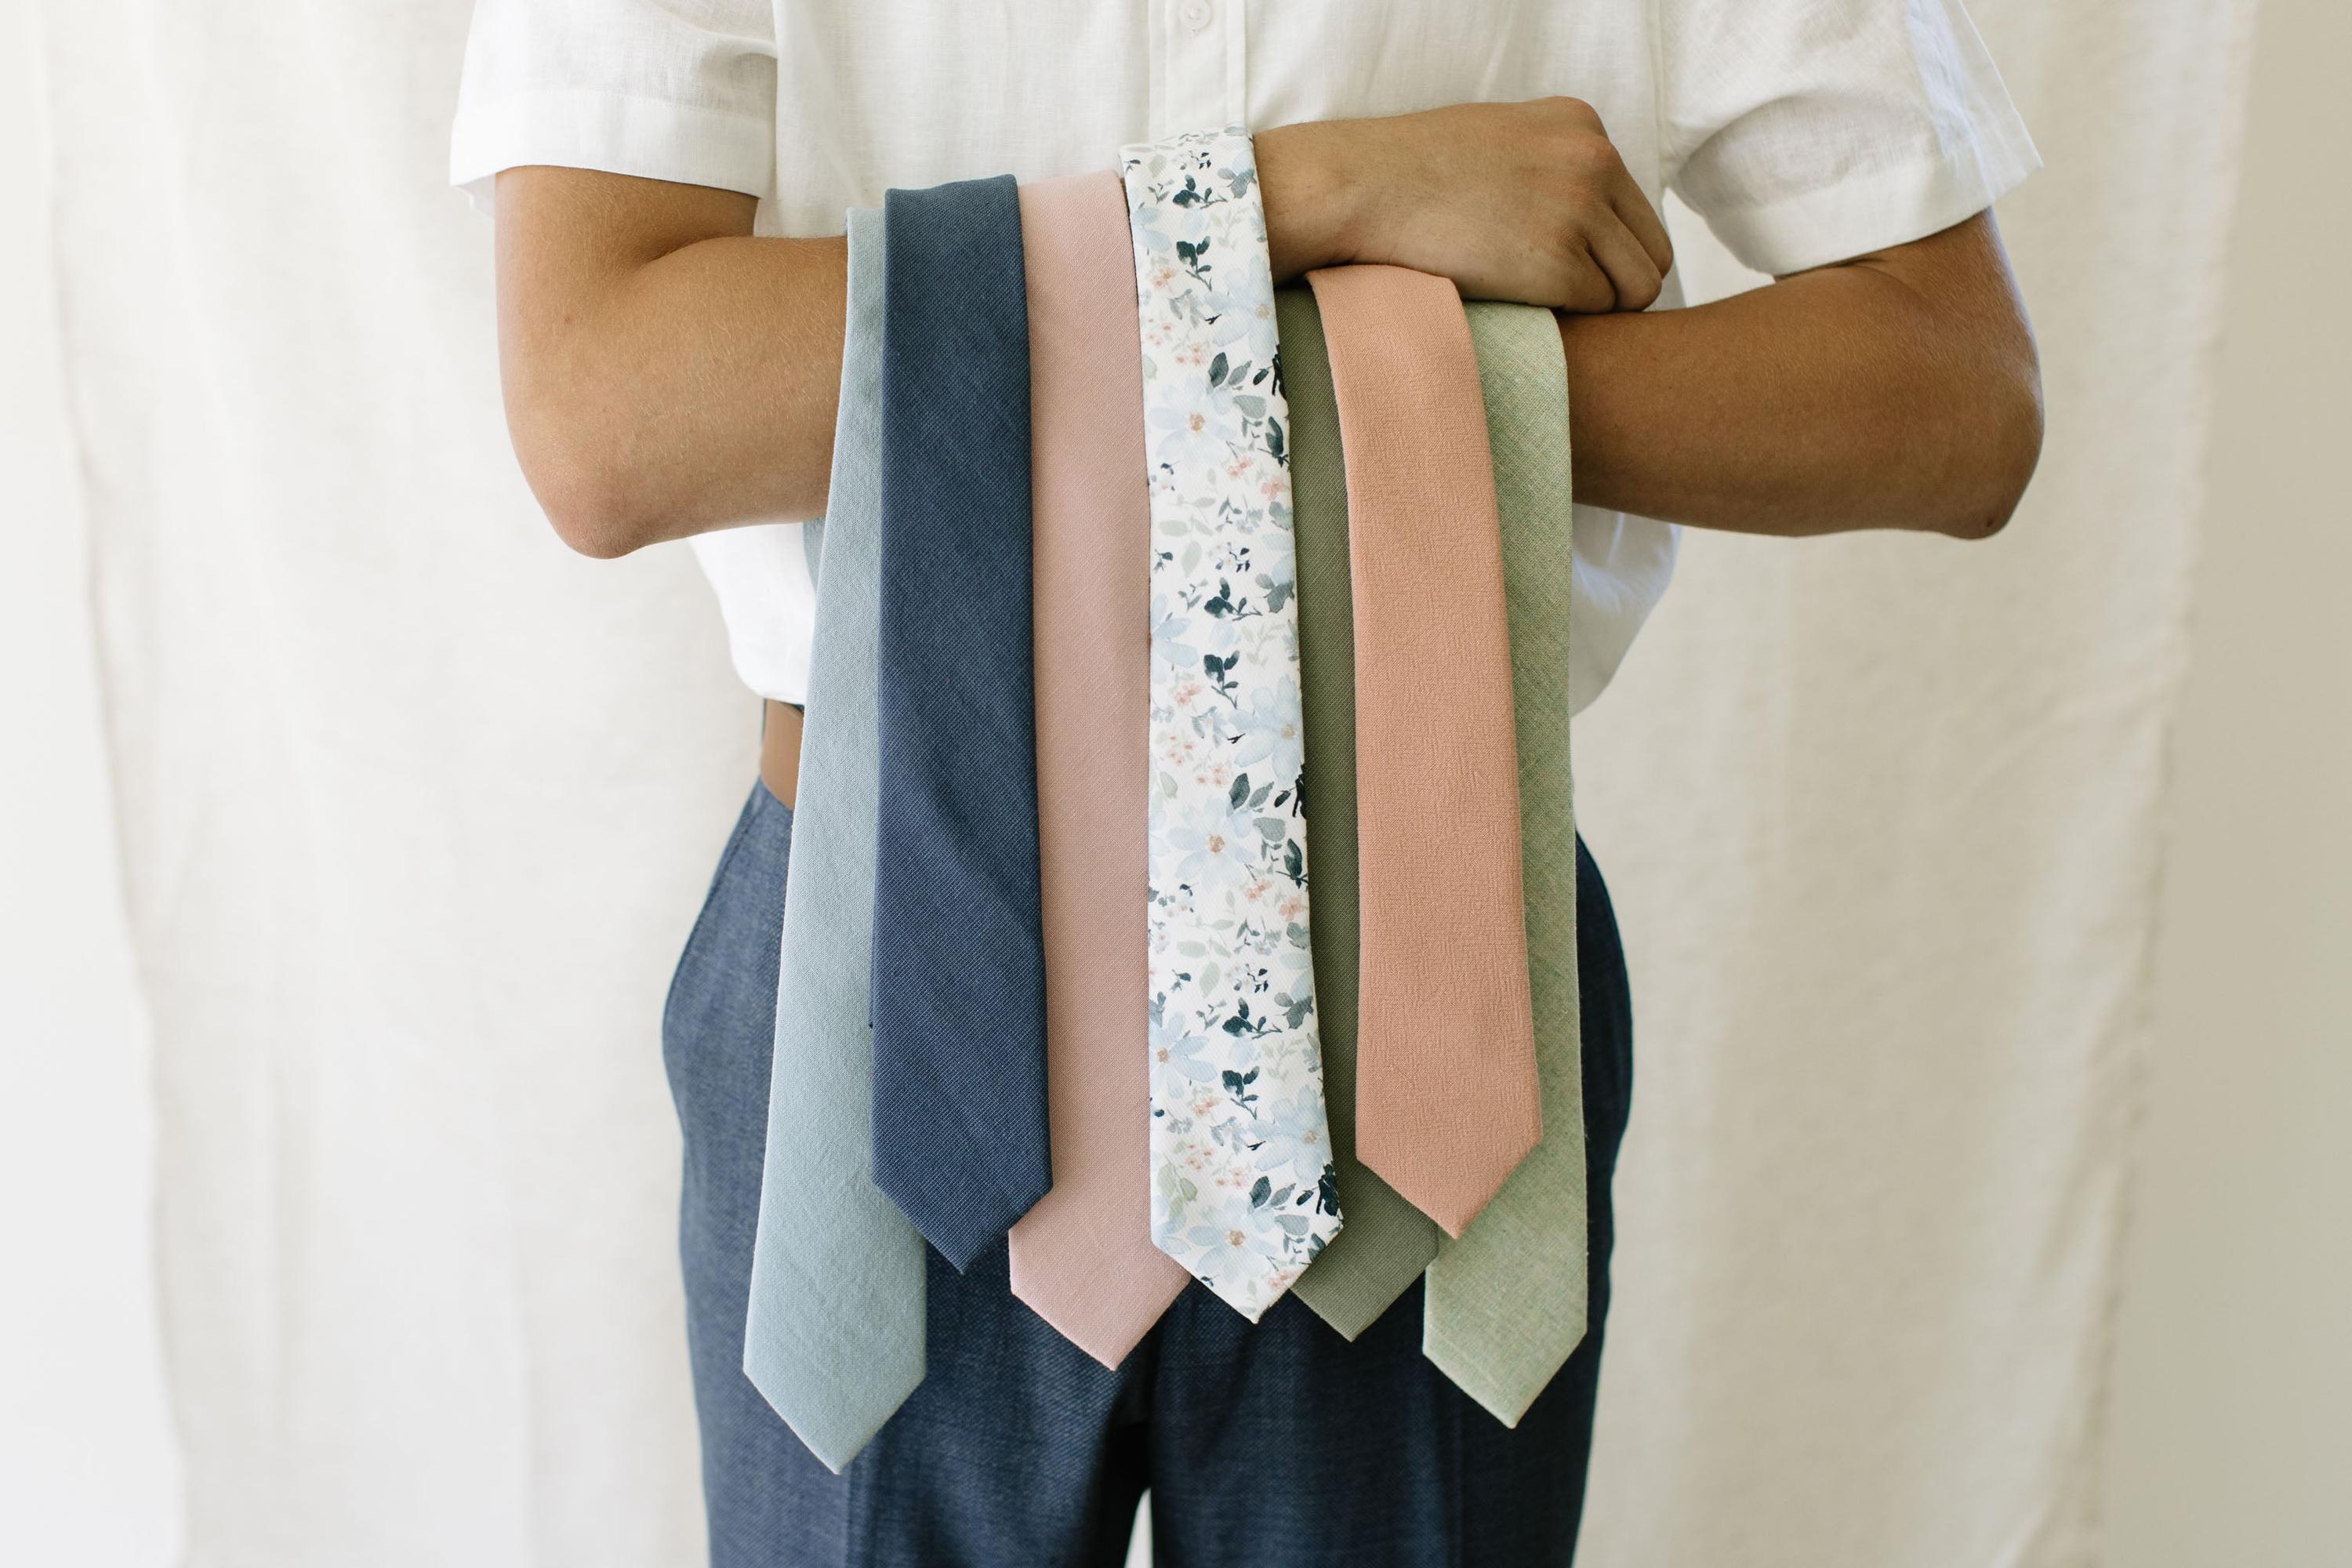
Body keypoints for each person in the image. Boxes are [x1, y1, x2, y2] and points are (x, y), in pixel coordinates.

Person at [450, 2, 2042, 1563]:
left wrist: (1383, 381)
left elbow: (1952, 389)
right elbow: (610, 409)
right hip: (892, 977)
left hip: (1426, 985)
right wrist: (1306, 204)